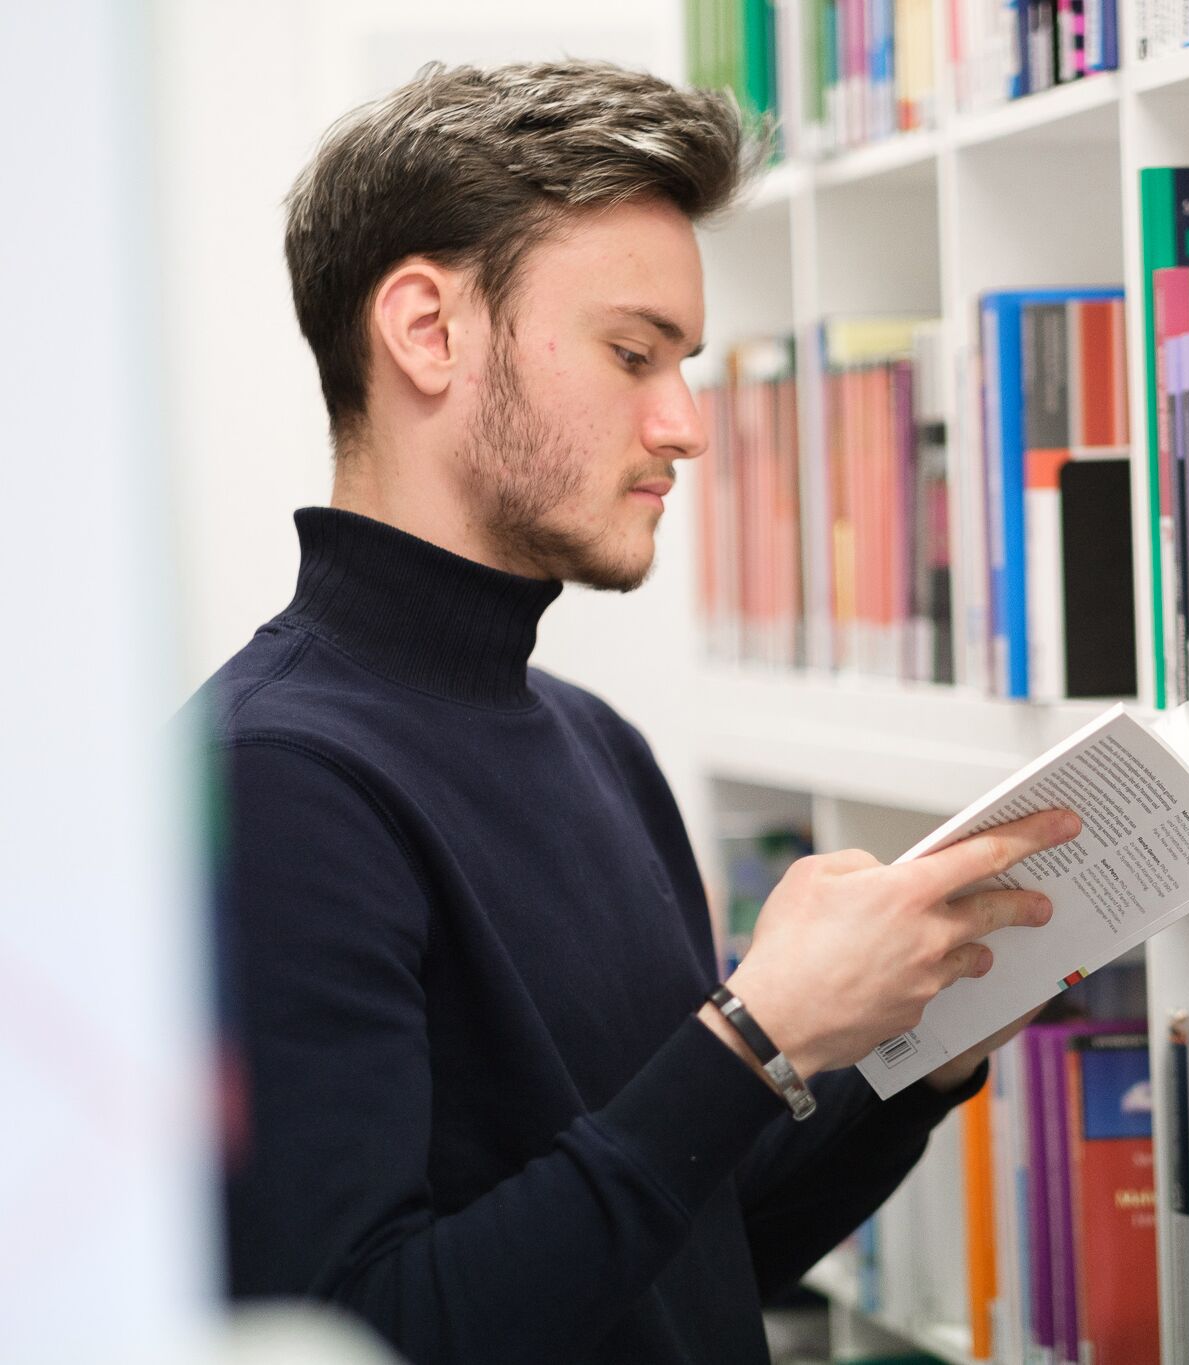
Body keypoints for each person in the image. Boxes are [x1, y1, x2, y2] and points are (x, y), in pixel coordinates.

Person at [188, 60, 1080, 1364]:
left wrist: (922, 1050)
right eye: (631, 353)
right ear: (427, 329)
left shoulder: (597, 745)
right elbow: (365, 1333)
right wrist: (757, 1031)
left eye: (685, 361)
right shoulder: (272, 784)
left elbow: (687, 1252)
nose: (685, 425)